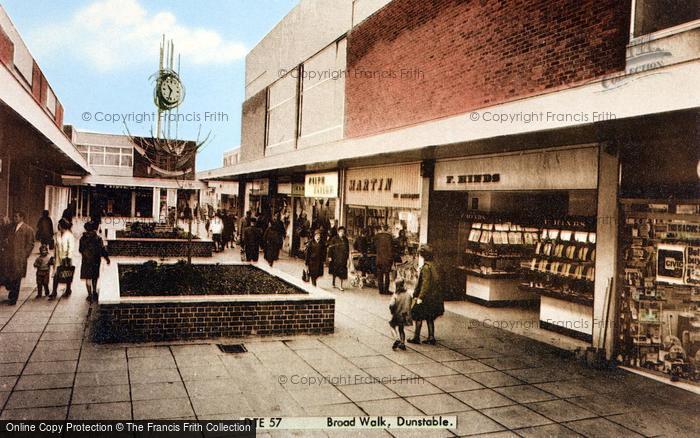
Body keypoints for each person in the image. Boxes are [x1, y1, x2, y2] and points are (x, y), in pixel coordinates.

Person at [408, 245, 443, 345]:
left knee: (418, 315)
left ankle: (416, 337)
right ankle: (431, 337)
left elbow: (425, 284)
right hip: (434, 296)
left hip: (426, 297)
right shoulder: (434, 265)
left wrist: (420, 297)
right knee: (429, 317)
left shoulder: (426, 268)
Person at [6, 212, 35, 305]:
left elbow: (30, 244)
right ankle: (12, 293)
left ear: (22, 218)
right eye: (14, 216)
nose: (14, 218)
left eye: (16, 216)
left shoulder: (28, 229)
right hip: (11, 257)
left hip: (19, 258)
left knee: (17, 277)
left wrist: (25, 254)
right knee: (10, 277)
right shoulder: (12, 228)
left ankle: (14, 298)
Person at [79, 221, 110, 303]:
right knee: (94, 277)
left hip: (86, 260)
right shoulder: (98, 238)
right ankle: (94, 292)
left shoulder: (82, 238)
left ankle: (89, 294)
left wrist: (86, 254)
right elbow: (103, 250)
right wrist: (107, 258)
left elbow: (80, 249)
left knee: (88, 278)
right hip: (95, 260)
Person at [49, 218, 75, 300]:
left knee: (67, 273)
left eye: (59, 225)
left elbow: (71, 248)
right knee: (56, 274)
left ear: (62, 225)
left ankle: (68, 289)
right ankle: (54, 291)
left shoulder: (69, 235)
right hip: (58, 258)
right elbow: (55, 246)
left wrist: (68, 258)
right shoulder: (57, 234)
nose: (58, 226)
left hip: (66, 258)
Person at [389, 280, 412, 350]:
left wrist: (392, 311)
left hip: (397, 314)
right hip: (405, 315)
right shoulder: (408, 294)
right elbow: (410, 303)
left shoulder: (396, 295)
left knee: (392, 326)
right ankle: (402, 343)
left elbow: (391, 305)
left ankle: (397, 338)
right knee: (401, 329)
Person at [374, 224, 394, 295]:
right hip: (387, 259)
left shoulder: (377, 236)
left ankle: (380, 290)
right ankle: (386, 290)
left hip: (379, 258)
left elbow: (374, 245)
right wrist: (391, 259)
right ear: (387, 229)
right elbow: (391, 249)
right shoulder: (389, 237)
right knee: (387, 275)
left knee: (380, 275)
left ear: (382, 228)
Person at [328, 226, 350, 291]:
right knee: (335, 272)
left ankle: (340, 286)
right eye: (341, 232)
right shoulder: (334, 239)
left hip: (343, 258)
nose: (342, 233)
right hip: (335, 258)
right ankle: (333, 282)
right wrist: (330, 256)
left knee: (342, 273)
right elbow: (330, 248)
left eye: (343, 232)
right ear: (338, 232)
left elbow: (347, 249)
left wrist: (347, 257)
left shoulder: (346, 239)